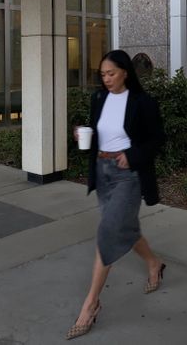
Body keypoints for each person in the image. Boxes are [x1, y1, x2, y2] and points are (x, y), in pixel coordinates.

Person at [66, 49, 166, 340]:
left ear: (125, 72)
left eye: (111, 73)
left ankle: (90, 305)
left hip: (128, 175)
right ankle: (153, 264)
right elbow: (99, 131)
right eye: (102, 75)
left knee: (109, 232)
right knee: (124, 228)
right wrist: (80, 134)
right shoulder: (99, 98)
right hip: (102, 170)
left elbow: (157, 138)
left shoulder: (142, 102)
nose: (106, 79)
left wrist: (133, 156)